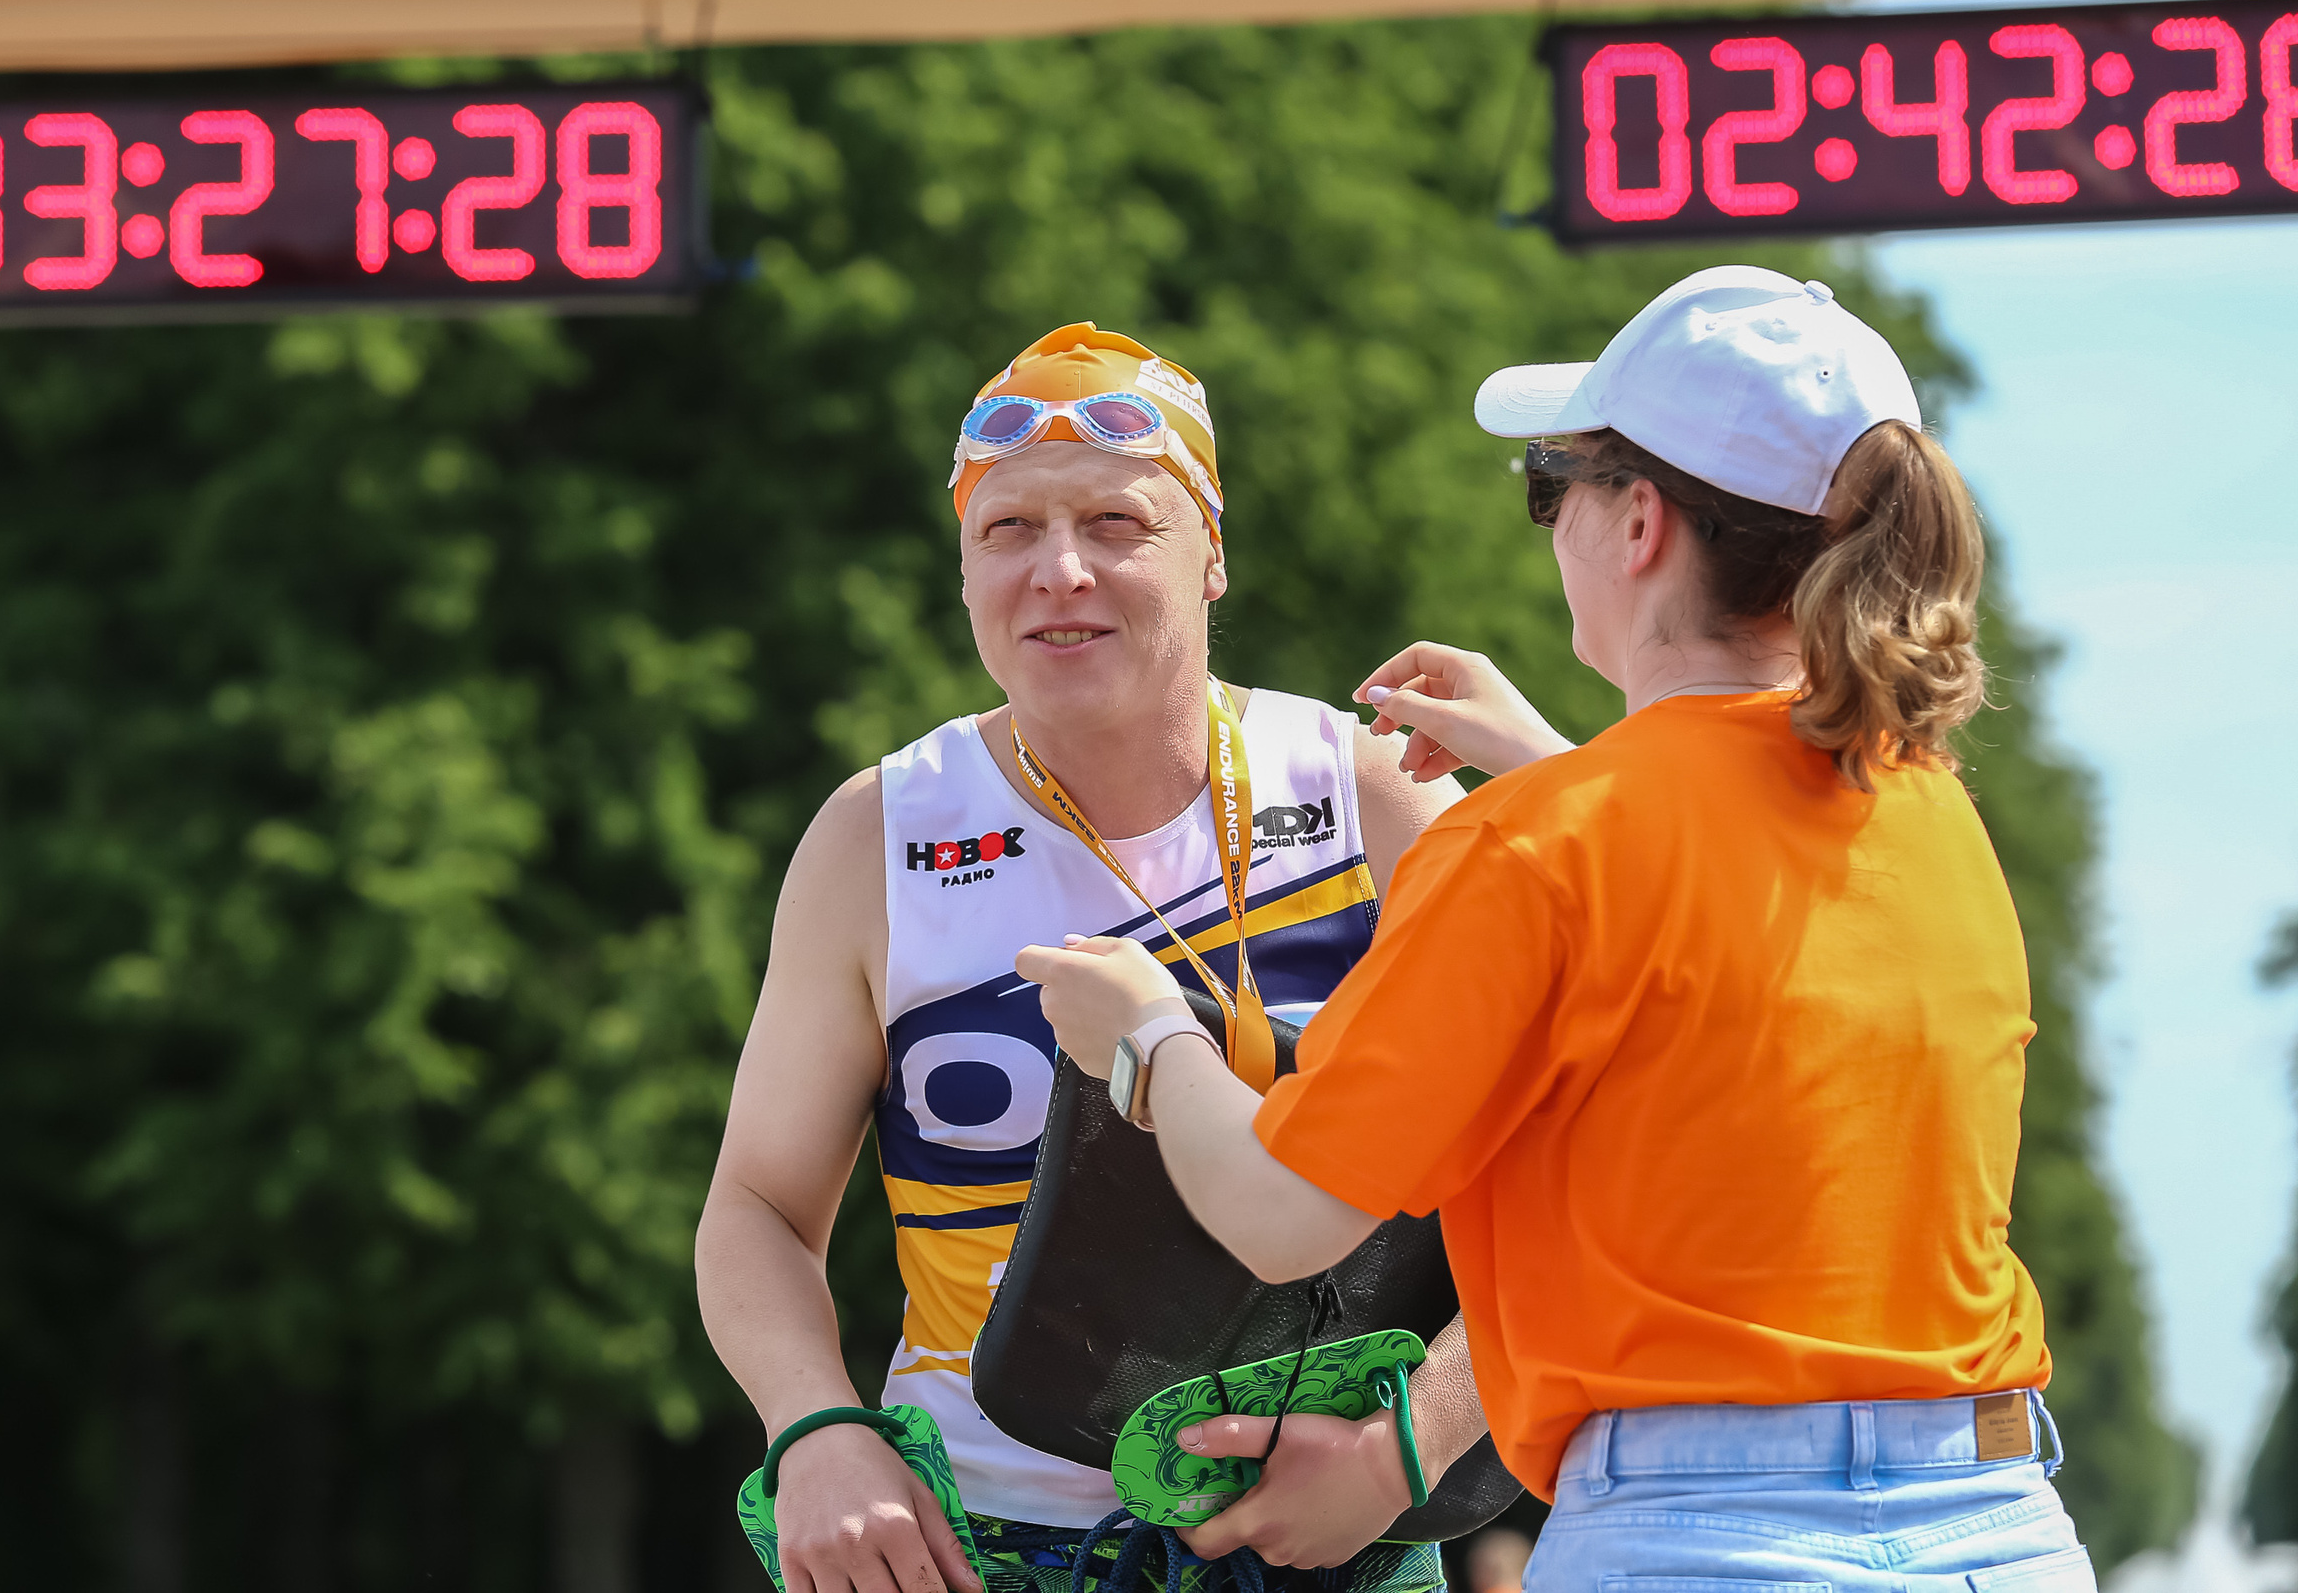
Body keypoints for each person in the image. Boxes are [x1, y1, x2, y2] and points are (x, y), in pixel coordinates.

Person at [1021, 267, 2094, 1589]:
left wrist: (1142, 1035)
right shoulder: (1921, 802)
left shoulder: (1537, 847)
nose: (1548, 522)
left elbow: (1283, 1212)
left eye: (1553, 485)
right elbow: (1724, 933)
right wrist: (1553, 768)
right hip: (1996, 1516)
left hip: (1701, 1538)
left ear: (1638, 519)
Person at [696, 323, 1491, 1593]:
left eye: (1116, 523)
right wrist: (815, 1430)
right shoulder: (879, 832)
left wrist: (1410, 1449)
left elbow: (1568, 1189)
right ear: (962, 572)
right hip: (975, 1539)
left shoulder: (1374, 796)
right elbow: (755, 1209)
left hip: (1327, 1529)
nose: (1058, 570)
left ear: (1210, 554)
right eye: (1007, 531)